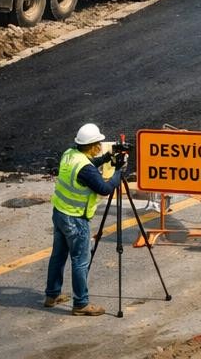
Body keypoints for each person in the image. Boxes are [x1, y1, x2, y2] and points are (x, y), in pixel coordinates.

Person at [44, 122, 125, 316]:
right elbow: (104, 189)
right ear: (92, 145)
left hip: (60, 213)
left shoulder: (70, 154)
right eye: (99, 144)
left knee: (58, 255)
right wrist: (119, 172)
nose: (100, 146)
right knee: (80, 261)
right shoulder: (85, 169)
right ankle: (81, 304)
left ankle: (52, 295)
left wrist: (106, 158)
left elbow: (86, 166)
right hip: (76, 219)